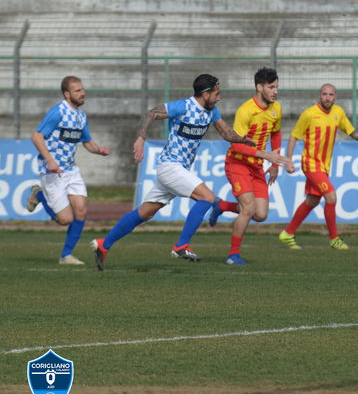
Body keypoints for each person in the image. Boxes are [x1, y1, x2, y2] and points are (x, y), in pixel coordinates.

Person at [90, 74, 271, 271]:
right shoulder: (184, 106)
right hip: (170, 166)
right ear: (205, 93)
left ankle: (103, 245)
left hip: (179, 169)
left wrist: (242, 139)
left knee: (146, 212)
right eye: (217, 94)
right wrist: (141, 138)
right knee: (208, 198)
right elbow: (151, 113)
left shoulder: (211, 111)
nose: (220, 97)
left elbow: (226, 133)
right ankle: (181, 245)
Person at [206, 67, 292, 265]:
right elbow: (236, 144)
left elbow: (276, 133)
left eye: (276, 87)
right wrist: (267, 155)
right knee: (248, 208)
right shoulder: (246, 110)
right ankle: (232, 255)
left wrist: (275, 162)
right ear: (259, 87)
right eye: (271, 87)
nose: (275, 91)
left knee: (260, 214)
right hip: (238, 163)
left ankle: (221, 206)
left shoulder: (276, 108)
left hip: (257, 166)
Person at [278, 83, 358, 250]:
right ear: (319, 96)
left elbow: (350, 130)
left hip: (324, 166)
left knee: (313, 200)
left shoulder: (338, 113)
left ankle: (288, 233)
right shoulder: (309, 114)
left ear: (335, 97)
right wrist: (289, 160)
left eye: (330, 94)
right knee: (331, 196)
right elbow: (294, 136)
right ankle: (334, 239)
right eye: (324, 94)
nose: (327, 97)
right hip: (310, 163)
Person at [26, 75, 111, 265]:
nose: (83, 93)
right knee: (65, 220)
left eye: (82, 90)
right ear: (67, 94)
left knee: (81, 211)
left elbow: (86, 141)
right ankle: (38, 195)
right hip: (53, 171)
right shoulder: (58, 112)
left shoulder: (81, 116)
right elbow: (37, 136)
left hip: (71, 170)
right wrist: (50, 161)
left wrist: (99, 150)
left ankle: (66, 256)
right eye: (78, 91)